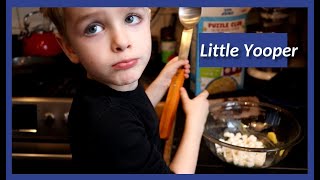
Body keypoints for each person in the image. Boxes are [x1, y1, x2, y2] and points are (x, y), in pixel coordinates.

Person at [41, 7, 209, 174]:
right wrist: (195, 123)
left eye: (131, 18)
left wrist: (163, 81)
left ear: (148, 19)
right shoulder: (109, 125)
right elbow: (121, 122)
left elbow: (131, 110)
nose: (121, 41)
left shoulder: (101, 89)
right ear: (69, 47)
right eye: (93, 28)